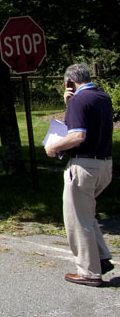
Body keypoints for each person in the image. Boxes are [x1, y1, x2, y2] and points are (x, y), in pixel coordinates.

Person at [44, 63, 114, 287]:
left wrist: (53, 148)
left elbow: (77, 136)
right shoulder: (103, 98)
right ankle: (101, 257)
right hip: (105, 165)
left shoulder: (78, 100)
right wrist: (69, 105)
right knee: (87, 214)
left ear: (69, 82)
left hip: (83, 167)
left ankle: (88, 272)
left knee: (77, 220)